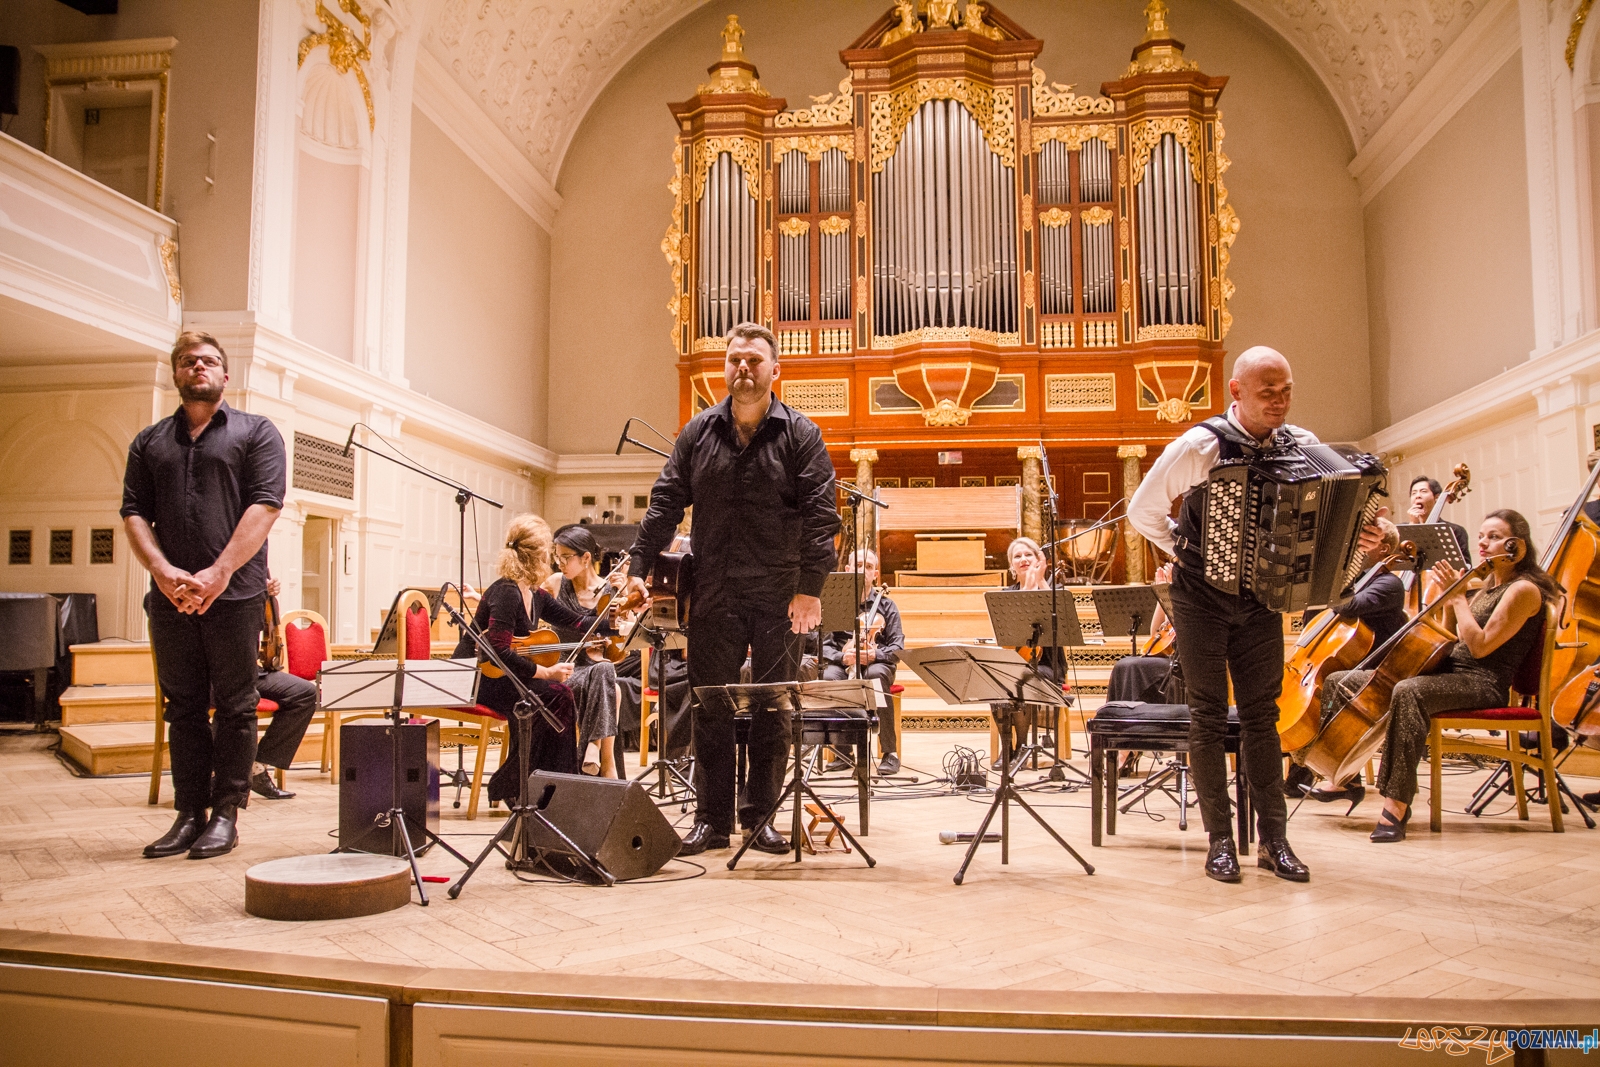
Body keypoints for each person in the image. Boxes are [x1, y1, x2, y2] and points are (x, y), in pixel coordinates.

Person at [1127, 346, 1380, 885]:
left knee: (1262, 716)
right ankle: (1219, 840)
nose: (1280, 402)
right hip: (1200, 596)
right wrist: (1189, 552)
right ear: (1237, 391)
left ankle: (1274, 841)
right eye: (1269, 393)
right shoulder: (1200, 445)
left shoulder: (1304, 447)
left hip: (1264, 597)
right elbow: (1142, 511)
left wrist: (1373, 530)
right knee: (1208, 713)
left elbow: (1344, 506)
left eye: (1286, 390)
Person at [624, 321, 839, 857]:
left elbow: (821, 515)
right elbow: (664, 503)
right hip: (714, 592)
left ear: (774, 370)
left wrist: (810, 589)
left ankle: (760, 818)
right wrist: (636, 565)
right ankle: (713, 820)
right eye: (735, 360)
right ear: (725, 367)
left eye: (754, 361)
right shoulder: (697, 433)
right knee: (709, 706)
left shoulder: (801, 435)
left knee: (772, 707)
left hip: (779, 595)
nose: (743, 369)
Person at [122, 331, 286, 859]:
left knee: (237, 707)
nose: (200, 368)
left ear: (226, 374)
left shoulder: (257, 432)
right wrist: (164, 571)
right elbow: (132, 513)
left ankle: (226, 816)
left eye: (210, 361)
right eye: (189, 361)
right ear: (175, 372)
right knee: (184, 708)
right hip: (170, 597)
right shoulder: (150, 442)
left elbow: (265, 505)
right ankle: (188, 812)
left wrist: (218, 573)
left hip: (234, 595)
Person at [1316, 511, 1556, 842]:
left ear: (1517, 545)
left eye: (1495, 536)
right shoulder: (1484, 587)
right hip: (1453, 671)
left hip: (1483, 683)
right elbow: (1450, 636)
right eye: (1482, 535)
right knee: (1341, 681)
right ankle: (1345, 773)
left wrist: (1458, 598)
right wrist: (1447, 597)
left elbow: (1481, 647)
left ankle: (1396, 805)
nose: (1484, 542)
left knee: (1408, 690)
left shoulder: (1524, 590)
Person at [453, 514, 600, 801]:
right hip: (477, 679)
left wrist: (613, 621)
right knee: (554, 694)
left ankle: (548, 784)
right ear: (538, 555)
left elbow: (578, 620)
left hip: (505, 676)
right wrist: (546, 673)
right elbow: (499, 652)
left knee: (559, 695)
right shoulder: (507, 591)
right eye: (549, 552)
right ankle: (526, 784)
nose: (552, 559)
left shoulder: (534, 593)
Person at [1283, 518, 1409, 804]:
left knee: (1328, 693)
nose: (1354, 548)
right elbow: (1314, 615)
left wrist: (1330, 580)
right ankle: (1307, 771)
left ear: (1383, 548)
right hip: (1350, 667)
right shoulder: (1359, 581)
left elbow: (1348, 606)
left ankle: (1339, 776)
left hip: (1374, 671)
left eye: (1363, 543)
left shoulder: (1390, 584)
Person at [542, 524, 624, 777]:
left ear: (586, 558)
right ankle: (602, 758)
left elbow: (619, 648)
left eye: (566, 557)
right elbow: (523, 606)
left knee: (604, 668)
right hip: (563, 668)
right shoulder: (556, 583)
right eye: (557, 557)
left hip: (594, 668)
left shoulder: (609, 590)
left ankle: (594, 748)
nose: (560, 564)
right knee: (609, 681)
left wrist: (623, 598)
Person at [819, 549, 905, 776]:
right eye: (858, 565)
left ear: (875, 574)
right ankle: (844, 751)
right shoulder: (835, 604)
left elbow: (897, 648)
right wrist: (842, 657)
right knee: (830, 677)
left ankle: (889, 752)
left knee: (874, 677)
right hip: (842, 661)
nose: (863, 571)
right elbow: (824, 646)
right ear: (847, 571)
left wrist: (875, 655)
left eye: (868, 566)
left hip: (877, 662)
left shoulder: (888, 606)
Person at [247, 575, 319, 800]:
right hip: (217, 672)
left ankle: (256, 766)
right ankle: (227, 775)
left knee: (306, 693)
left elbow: (267, 619)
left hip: (252, 669)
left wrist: (268, 595)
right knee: (238, 699)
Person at [1405, 475, 1472, 564]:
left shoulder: (1455, 530)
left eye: (1423, 491)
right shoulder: (1402, 530)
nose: (1417, 496)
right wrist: (1413, 524)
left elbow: (1466, 566)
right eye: (1414, 493)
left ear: (1437, 497)